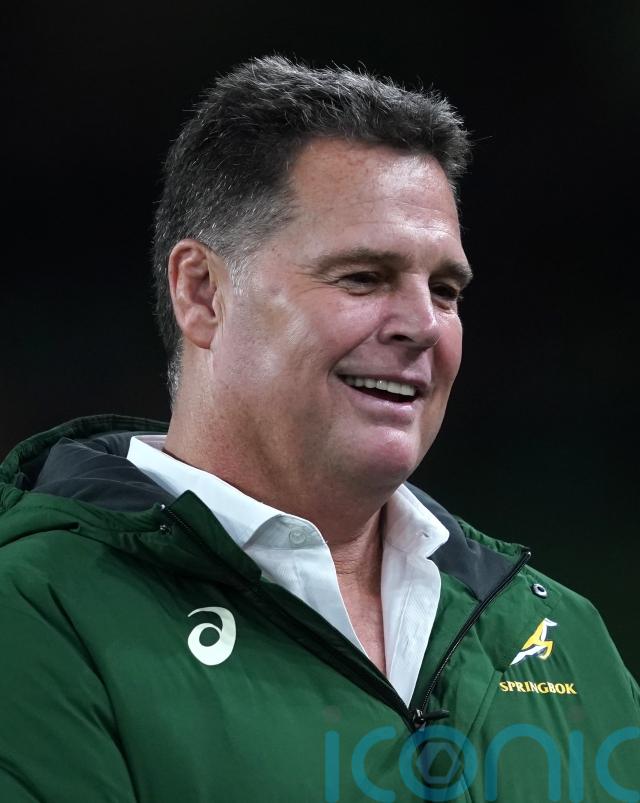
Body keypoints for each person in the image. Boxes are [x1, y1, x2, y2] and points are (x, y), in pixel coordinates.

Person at [0, 56, 637, 803]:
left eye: (445, 290)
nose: (424, 326)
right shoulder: (37, 612)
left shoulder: (564, 636)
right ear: (202, 293)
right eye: (363, 277)